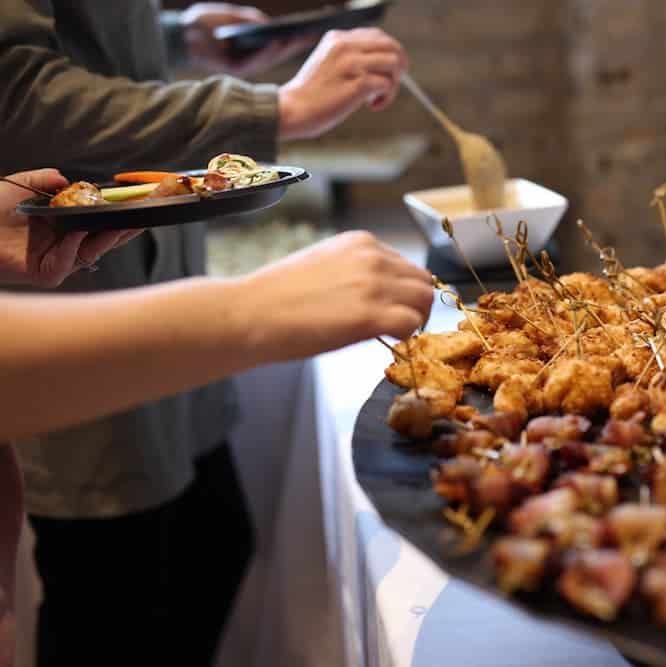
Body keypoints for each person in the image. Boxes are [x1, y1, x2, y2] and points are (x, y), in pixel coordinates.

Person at [0, 2, 409, 665]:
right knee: (117, 596)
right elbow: (13, 88)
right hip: (81, 309)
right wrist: (271, 110)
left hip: (137, 272)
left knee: (211, 545)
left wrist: (176, 37)